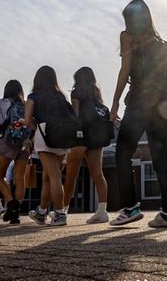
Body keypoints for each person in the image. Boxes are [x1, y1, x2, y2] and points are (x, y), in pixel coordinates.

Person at [110, 0, 167, 228]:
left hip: (140, 100)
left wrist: (114, 104)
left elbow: (125, 71)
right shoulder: (160, 42)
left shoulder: (128, 36)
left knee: (122, 151)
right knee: (161, 155)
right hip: (161, 105)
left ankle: (129, 207)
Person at [61, 66, 110, 224]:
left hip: (81, 137)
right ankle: (102, 211)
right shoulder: (97, 94)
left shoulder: (77, 92)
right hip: (96, 137)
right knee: (98, 174)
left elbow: (75, 114)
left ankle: (63, 212)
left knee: (71, 176)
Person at [25, 66, 71, 227]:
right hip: (64, 136)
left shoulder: (34, 96)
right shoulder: (61, 97)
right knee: (48, 176)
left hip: (45, 134)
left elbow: (28, 120)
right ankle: (41, 212)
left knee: (54, 176)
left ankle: (59, 214)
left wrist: (25, 124)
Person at [0, 80, 30, 225]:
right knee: (19, 179)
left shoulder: (2, 103)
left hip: (7, 143)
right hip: (25, 144)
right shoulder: (26, 104)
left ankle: (11, 203)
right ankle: (15, 213)